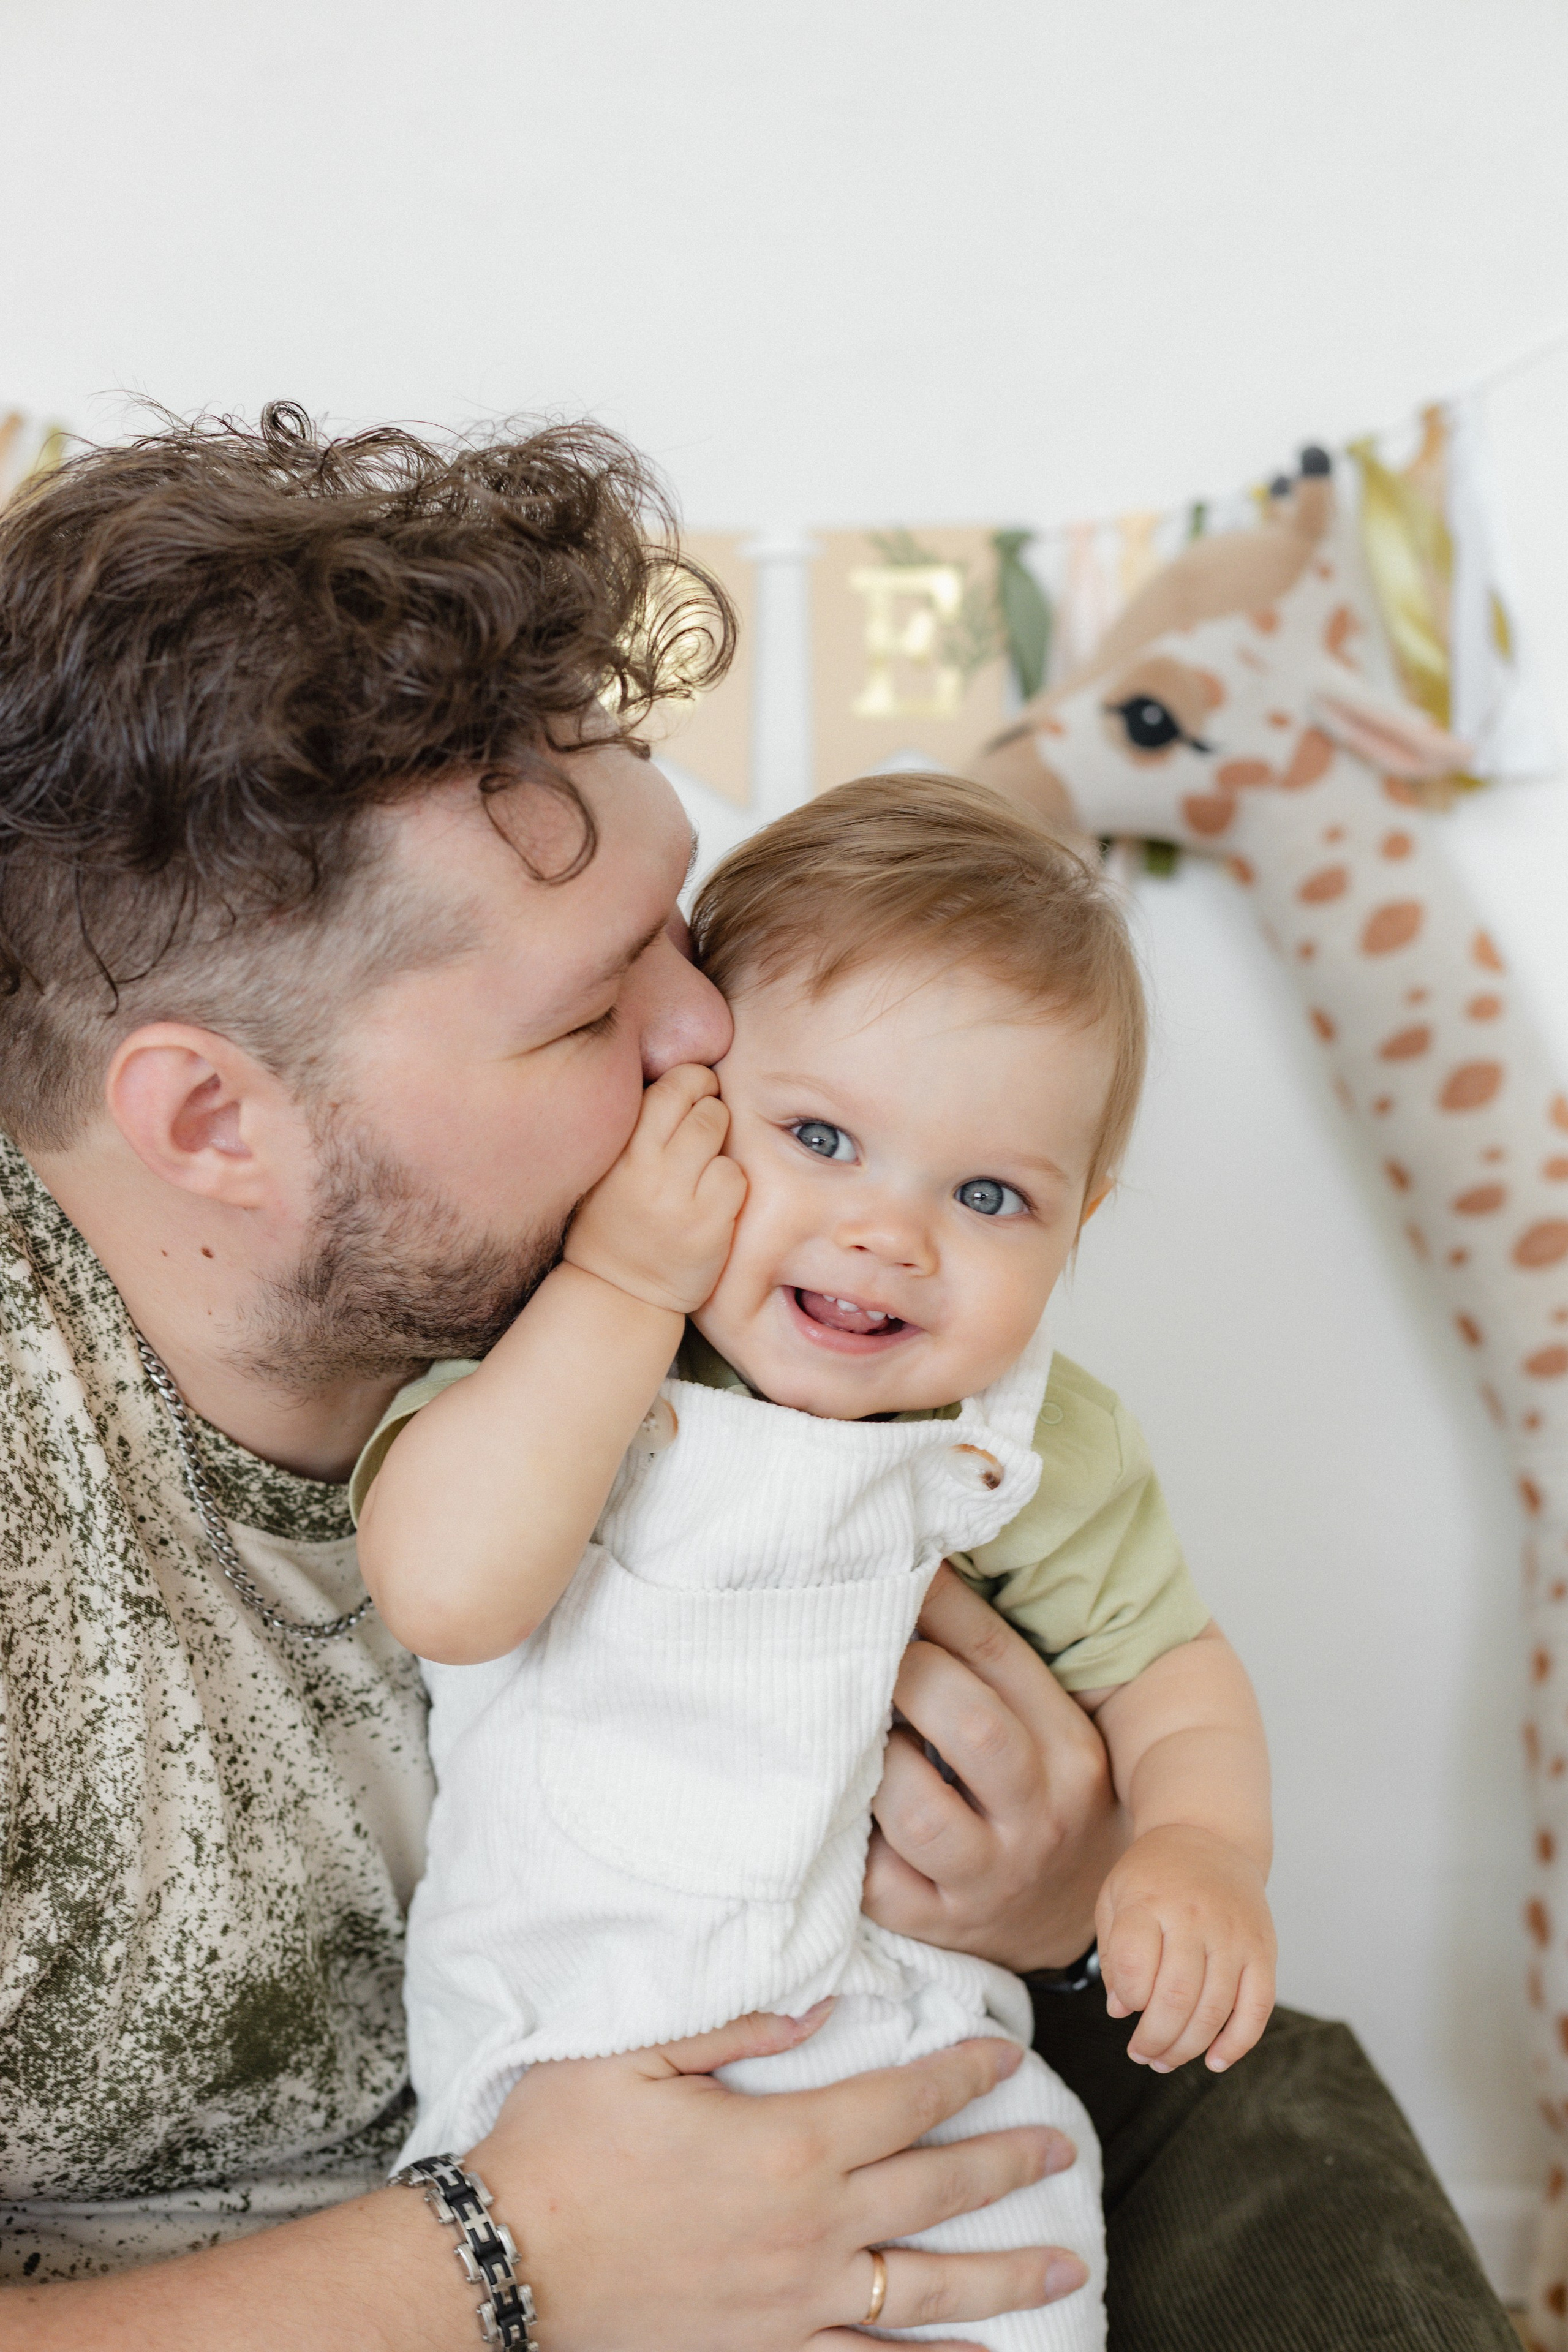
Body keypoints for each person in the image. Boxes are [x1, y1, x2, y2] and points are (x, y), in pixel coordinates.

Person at [0, 407, 1517, 2352]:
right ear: (214, 1116)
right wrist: (506, 2265)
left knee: (1271, 2089)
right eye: (594, 998)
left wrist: (1065, 1892)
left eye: (681, 926)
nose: (710, 1029)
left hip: (830, 2028)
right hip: (325, 2273)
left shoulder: (725, 1288)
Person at [349, 774, 1278, 2350]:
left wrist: (1196, 1852)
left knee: (1023, 2292)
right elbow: (448, 1590)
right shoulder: (575, 1360)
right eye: (820, 1135)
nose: (887, 1231)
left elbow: (1171, 1674)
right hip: (566, 2070)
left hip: (915, 2067)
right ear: (683, 1113)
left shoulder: (1029, 1439)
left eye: (989, 1195)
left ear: (1077, 1226)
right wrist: (621, 1279)